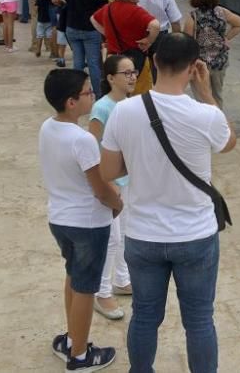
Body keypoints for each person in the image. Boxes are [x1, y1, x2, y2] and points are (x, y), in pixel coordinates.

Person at [100, 33, 236, 373]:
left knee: (145, 315)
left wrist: (141, 157)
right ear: (193, 69)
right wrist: (205, 94)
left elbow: (109, 170)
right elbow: (228, 143)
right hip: (195, 235)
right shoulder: (206, 116)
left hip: (143, 234)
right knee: (200, 320)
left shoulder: (123, 112)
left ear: (154, 62)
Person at [39, 69, 121, 371]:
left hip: (60, 218)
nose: (93, 96)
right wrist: (117, 203)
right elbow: (99, 187)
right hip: (87, 222)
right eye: (87, 92)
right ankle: (80, 355)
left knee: (73, 276)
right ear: (71, 102)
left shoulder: (48, 127)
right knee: (87, 287)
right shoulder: (82, 140)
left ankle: (71, 338)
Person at [87, 54, 139, 320]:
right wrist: (106, 182)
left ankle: (121, 278)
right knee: (111, 238)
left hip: (128, 180)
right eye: (126, 73)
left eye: (133, 72)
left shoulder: (130, 104)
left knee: (126, 233)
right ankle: (101, 292)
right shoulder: (102, 108)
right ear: (110, 78)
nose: (132, 77)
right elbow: (91, 148)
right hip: (111, 184)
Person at [183, 0, 240, 109]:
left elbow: (187, 42)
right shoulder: (222, 12)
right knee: (217, 95)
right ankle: (218, 121)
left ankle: (205, 123)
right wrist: (226, 38)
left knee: (201, 97)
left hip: (200, 62)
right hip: (220, 61)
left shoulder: (193, 17)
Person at [53, 0, 107, 96]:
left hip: (72, 26)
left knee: (77, 63)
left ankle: (77, 93)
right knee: (93, 64)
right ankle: (98, 96)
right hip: (91, 28)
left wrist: (67, 3)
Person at [90, 0, 160, 77]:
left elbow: (93, 19)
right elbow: (155, 25)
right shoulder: (136, 11)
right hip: (134, 60)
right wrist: (149, 41)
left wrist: (108, 33)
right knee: (138, 91)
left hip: (112, 60)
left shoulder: (108, 8)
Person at [136, 0, 182, 79]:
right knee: (159, 72)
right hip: (160, 35)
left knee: (138, 72)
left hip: (137, 35)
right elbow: (175, 21)